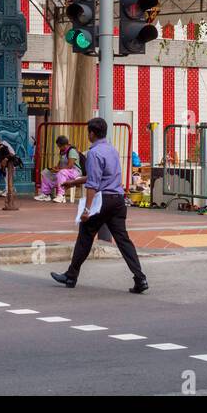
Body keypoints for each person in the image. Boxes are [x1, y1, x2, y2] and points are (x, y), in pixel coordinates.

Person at [51, 117, 147, 293]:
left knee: (85, 235)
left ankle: (71, 276)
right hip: (118, 200)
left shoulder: (94, 153)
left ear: (92, 133)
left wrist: (87, 210)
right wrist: (73, 183)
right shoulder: (111, 149)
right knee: (123, 240)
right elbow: (102, 176)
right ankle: (140, 278)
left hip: (103, 200)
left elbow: (93, 184)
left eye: (88, 132)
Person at [37, 134, 82, 203]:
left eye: (59, 146)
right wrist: (55, 168)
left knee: (61, 172)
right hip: (63, 172)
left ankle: (61, 195)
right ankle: (46, 194)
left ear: (64, 145)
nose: (58, 148)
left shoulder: (72, 151)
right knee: (46, 172)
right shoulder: (62, 151)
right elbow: (60, 163)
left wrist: (59, 170)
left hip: (75, 172)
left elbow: (70, 166)